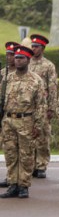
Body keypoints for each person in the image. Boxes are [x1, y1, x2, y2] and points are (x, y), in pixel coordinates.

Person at [0, 46, 45, 199]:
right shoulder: (7, 79)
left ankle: (23, 185)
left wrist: (38, 125)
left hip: (26, 121)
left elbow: (41, 105)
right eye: (16, 58)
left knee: (26, 155)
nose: (17, 60)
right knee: (11, 154)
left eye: (21, 58)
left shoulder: (36, 80)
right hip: (9, 121)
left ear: (28, 60)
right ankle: (13, 184)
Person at [28, 34, 57, 179]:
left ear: (43, 48)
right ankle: (30, 164)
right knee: (28, 135)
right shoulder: (26, 62)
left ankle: (41, 165)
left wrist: (51, 107)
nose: (34, 49)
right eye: (32, 46)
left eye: (36, 47)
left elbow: (52, 87)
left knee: (42, 136)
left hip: (43, 105)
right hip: (27, 106)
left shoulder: (48, 65)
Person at [0, 41, 18, 188]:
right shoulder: (2, 73)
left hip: (20, 116)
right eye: (7, 55)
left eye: (12, 55)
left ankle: (19, 180)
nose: (9, 57)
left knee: (20, 150)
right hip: (5, 115)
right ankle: (11, 177)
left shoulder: (24, 74)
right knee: (8, 149)